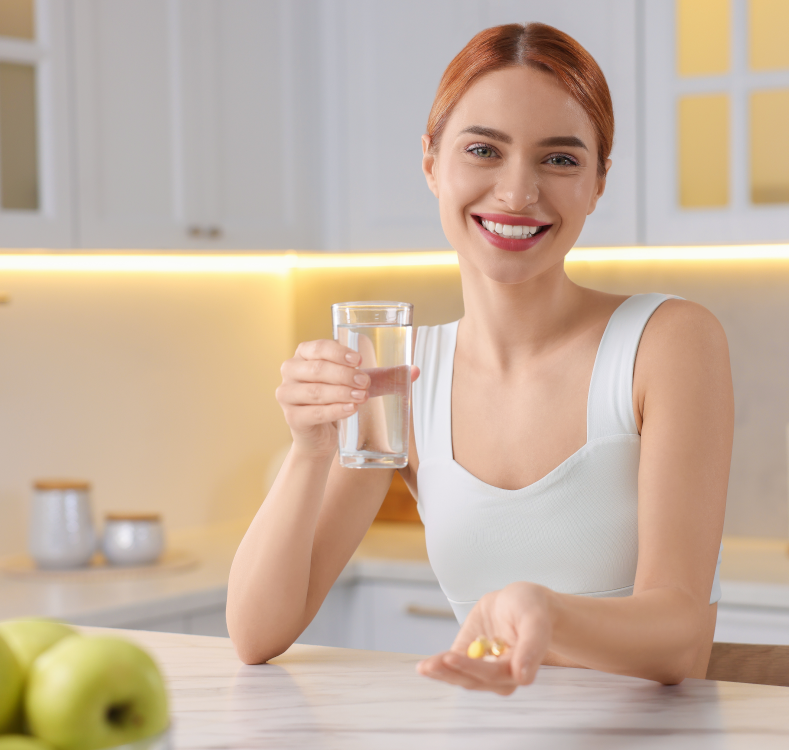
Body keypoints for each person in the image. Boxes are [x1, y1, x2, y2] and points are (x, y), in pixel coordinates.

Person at [226, 22, 732, 696]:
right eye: (483, 150)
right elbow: (255, 633)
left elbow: (681, 640)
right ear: (432, 163)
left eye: (560, 159)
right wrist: (309, 449)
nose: (518, 193)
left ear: (599, 182)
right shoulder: (402, 376)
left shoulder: (667, 342)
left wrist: (548, 614)